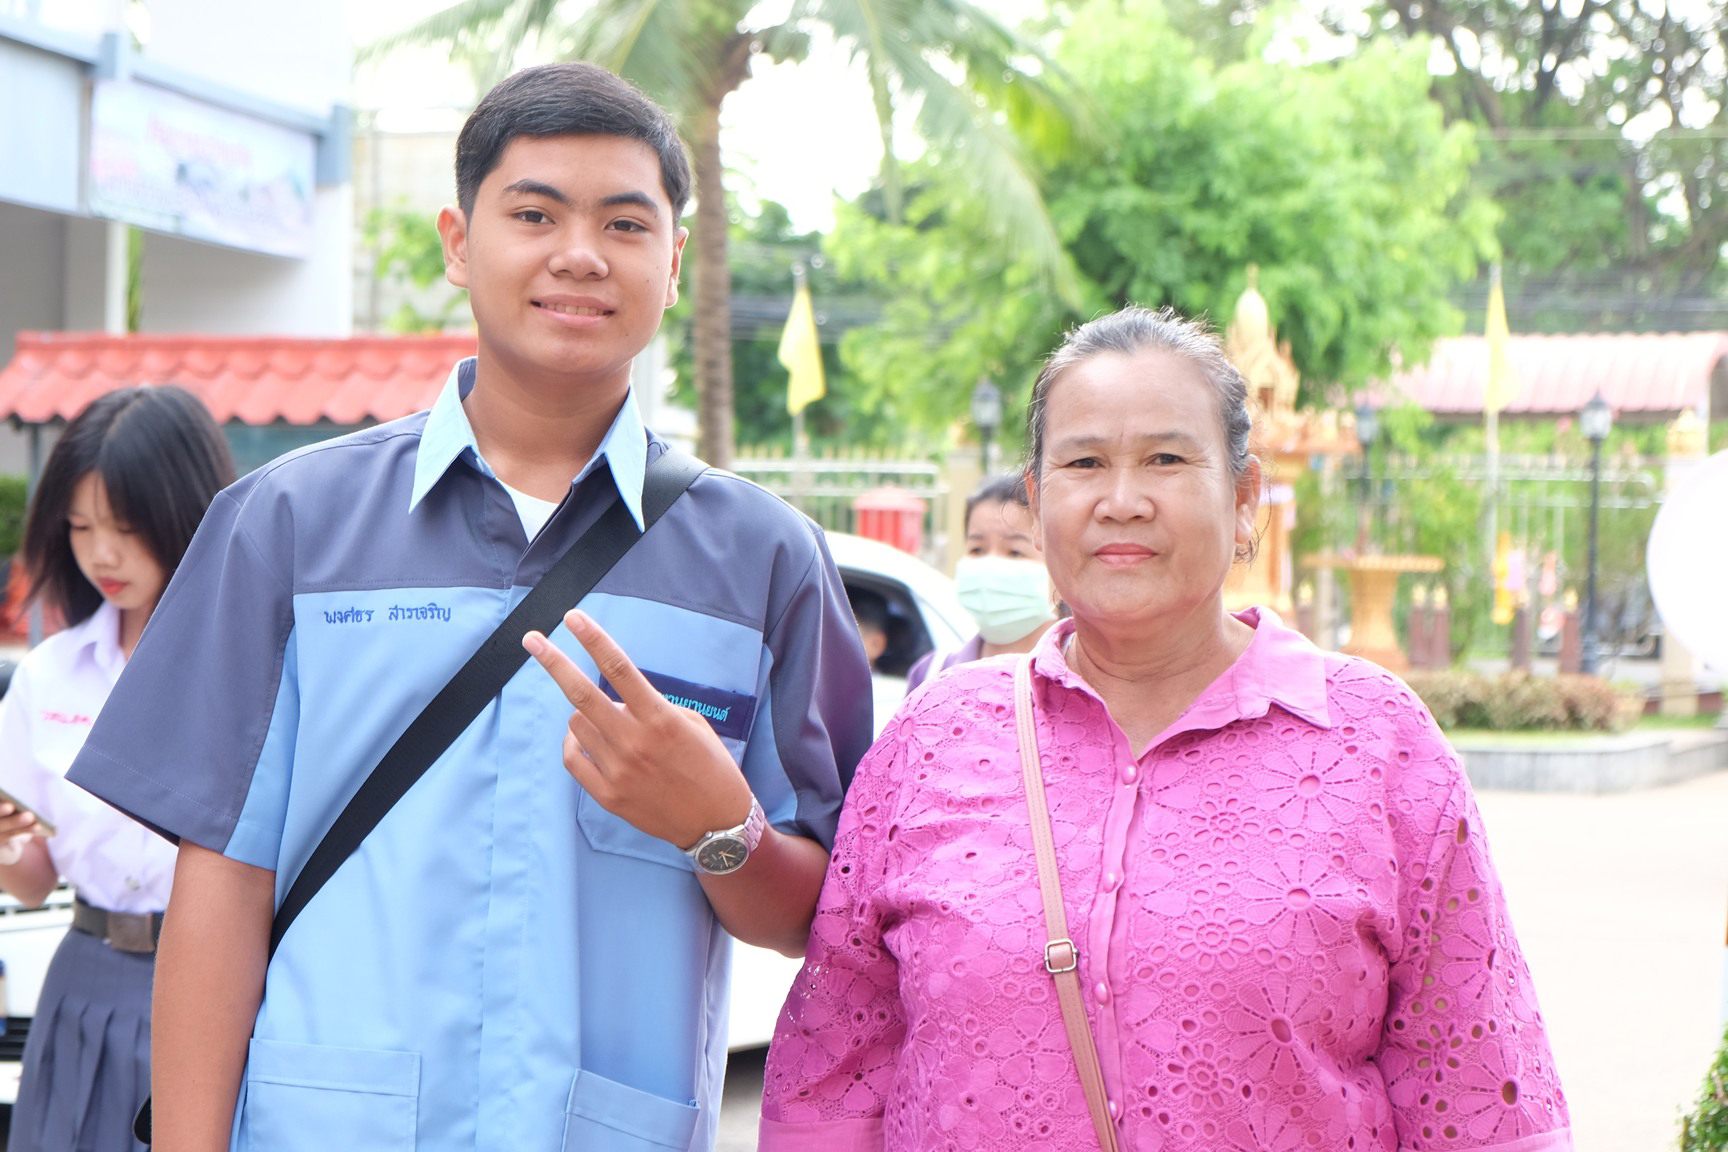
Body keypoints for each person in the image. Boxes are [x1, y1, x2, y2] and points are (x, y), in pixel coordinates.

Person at [69, 62, 871, 1152]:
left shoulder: (768, 560)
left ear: (674, 261)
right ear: (458, 241)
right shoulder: (287, 529)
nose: (579, 254)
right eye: (534, 213)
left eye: (626, 223)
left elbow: (813, 917)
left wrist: (715, 827)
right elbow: (221, 889)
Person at [759, 306, 1573, 1150]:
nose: (1122, 500)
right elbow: (834, 1072)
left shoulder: (1376, 745)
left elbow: (1475, 1096)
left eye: (1166, 459)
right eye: (1084, 463)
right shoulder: (933, 740)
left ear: (1244, 493)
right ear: (1037, 504)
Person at [0, 386, 235, 1152]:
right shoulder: (49, 675)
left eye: (126, 528)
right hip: (86, 976)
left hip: (219, 977)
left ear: (188, 515)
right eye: (79, 527)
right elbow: (33, 878)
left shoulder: (254, 665)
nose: (102, 554)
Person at [904, 473, 1053, 693]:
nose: (991, 562)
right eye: (977, 549)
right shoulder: (931, 675)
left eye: (1014, 551)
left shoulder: (1079, 677)